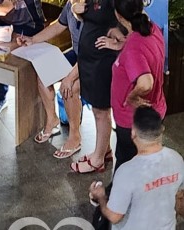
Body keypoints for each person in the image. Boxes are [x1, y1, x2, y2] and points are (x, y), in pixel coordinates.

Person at [89, 107, 184, 230]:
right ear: (162, 130)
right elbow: (180, 199)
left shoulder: (127, 171)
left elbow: (114, 216)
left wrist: (101, 198)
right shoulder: (177, 159)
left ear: (133, 133)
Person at [96, 0, 166, 172]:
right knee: (146, 164)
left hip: (132, 121)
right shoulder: (152, 28)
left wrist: (132, 96)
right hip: (154, 112)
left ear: (118, 16)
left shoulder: (134, 48)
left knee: (126, 167)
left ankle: (114, 196)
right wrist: (122, 43)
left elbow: (145, 82)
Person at [17, 0, 83, 158]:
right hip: (77, 53)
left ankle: (75, 137)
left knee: (70, 87)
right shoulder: (70, 5)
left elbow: (92, 51)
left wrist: (69, 77)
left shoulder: (95, 9)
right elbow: (58, 26)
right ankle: (52, 120)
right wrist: (33, 39)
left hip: (93, 59)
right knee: (44, 73)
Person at [69, 0, 120, 173]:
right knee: (96, 108)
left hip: (103, 60)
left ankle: (98, 160)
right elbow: (89, 16)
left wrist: (118, 41)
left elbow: (132, 21)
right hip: (88, 59)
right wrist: (77, 11)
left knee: (101, 111)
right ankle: (103, 150)